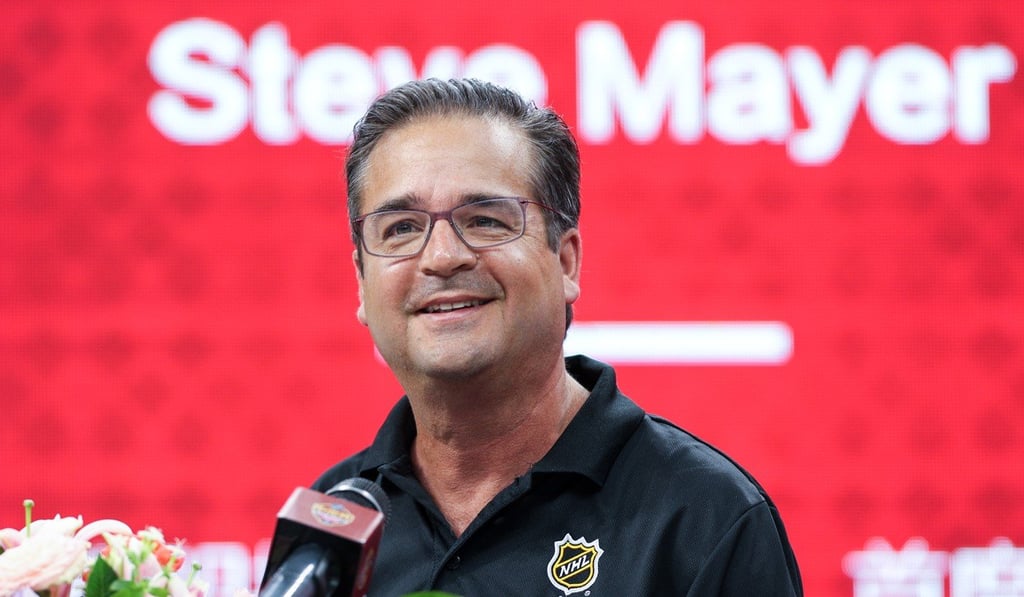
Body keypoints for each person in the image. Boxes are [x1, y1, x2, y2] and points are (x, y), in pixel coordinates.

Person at [312, 78, 802, 596]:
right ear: (363, 283)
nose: (442, 257)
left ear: (566, 261)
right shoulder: (333, 518)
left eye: (484, 219)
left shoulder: (704, 519)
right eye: (401, 228)